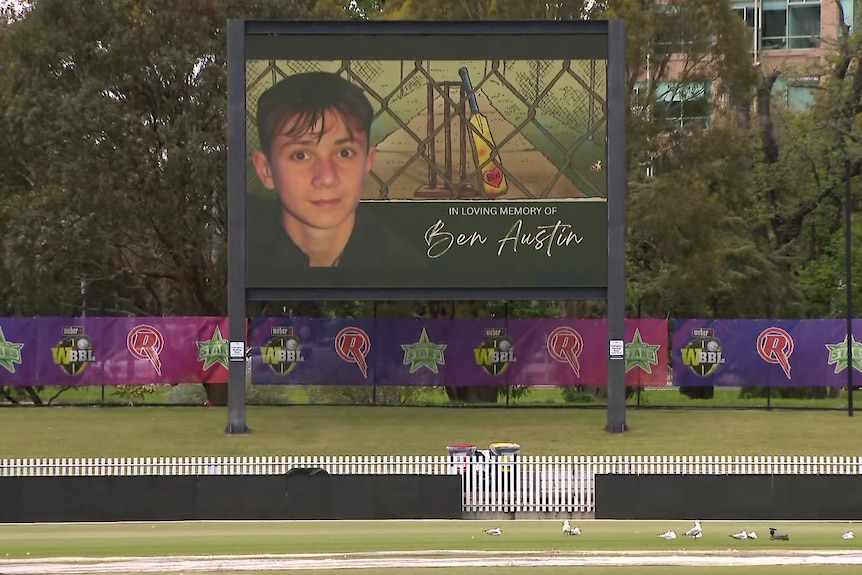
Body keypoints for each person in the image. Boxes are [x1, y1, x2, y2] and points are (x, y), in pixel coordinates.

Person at [249, 71, 378, 269]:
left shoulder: (405, 268)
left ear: (368, 162)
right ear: (266, 169)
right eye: (300, 155)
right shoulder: (240, 251)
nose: (327, 178)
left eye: (344, 153)